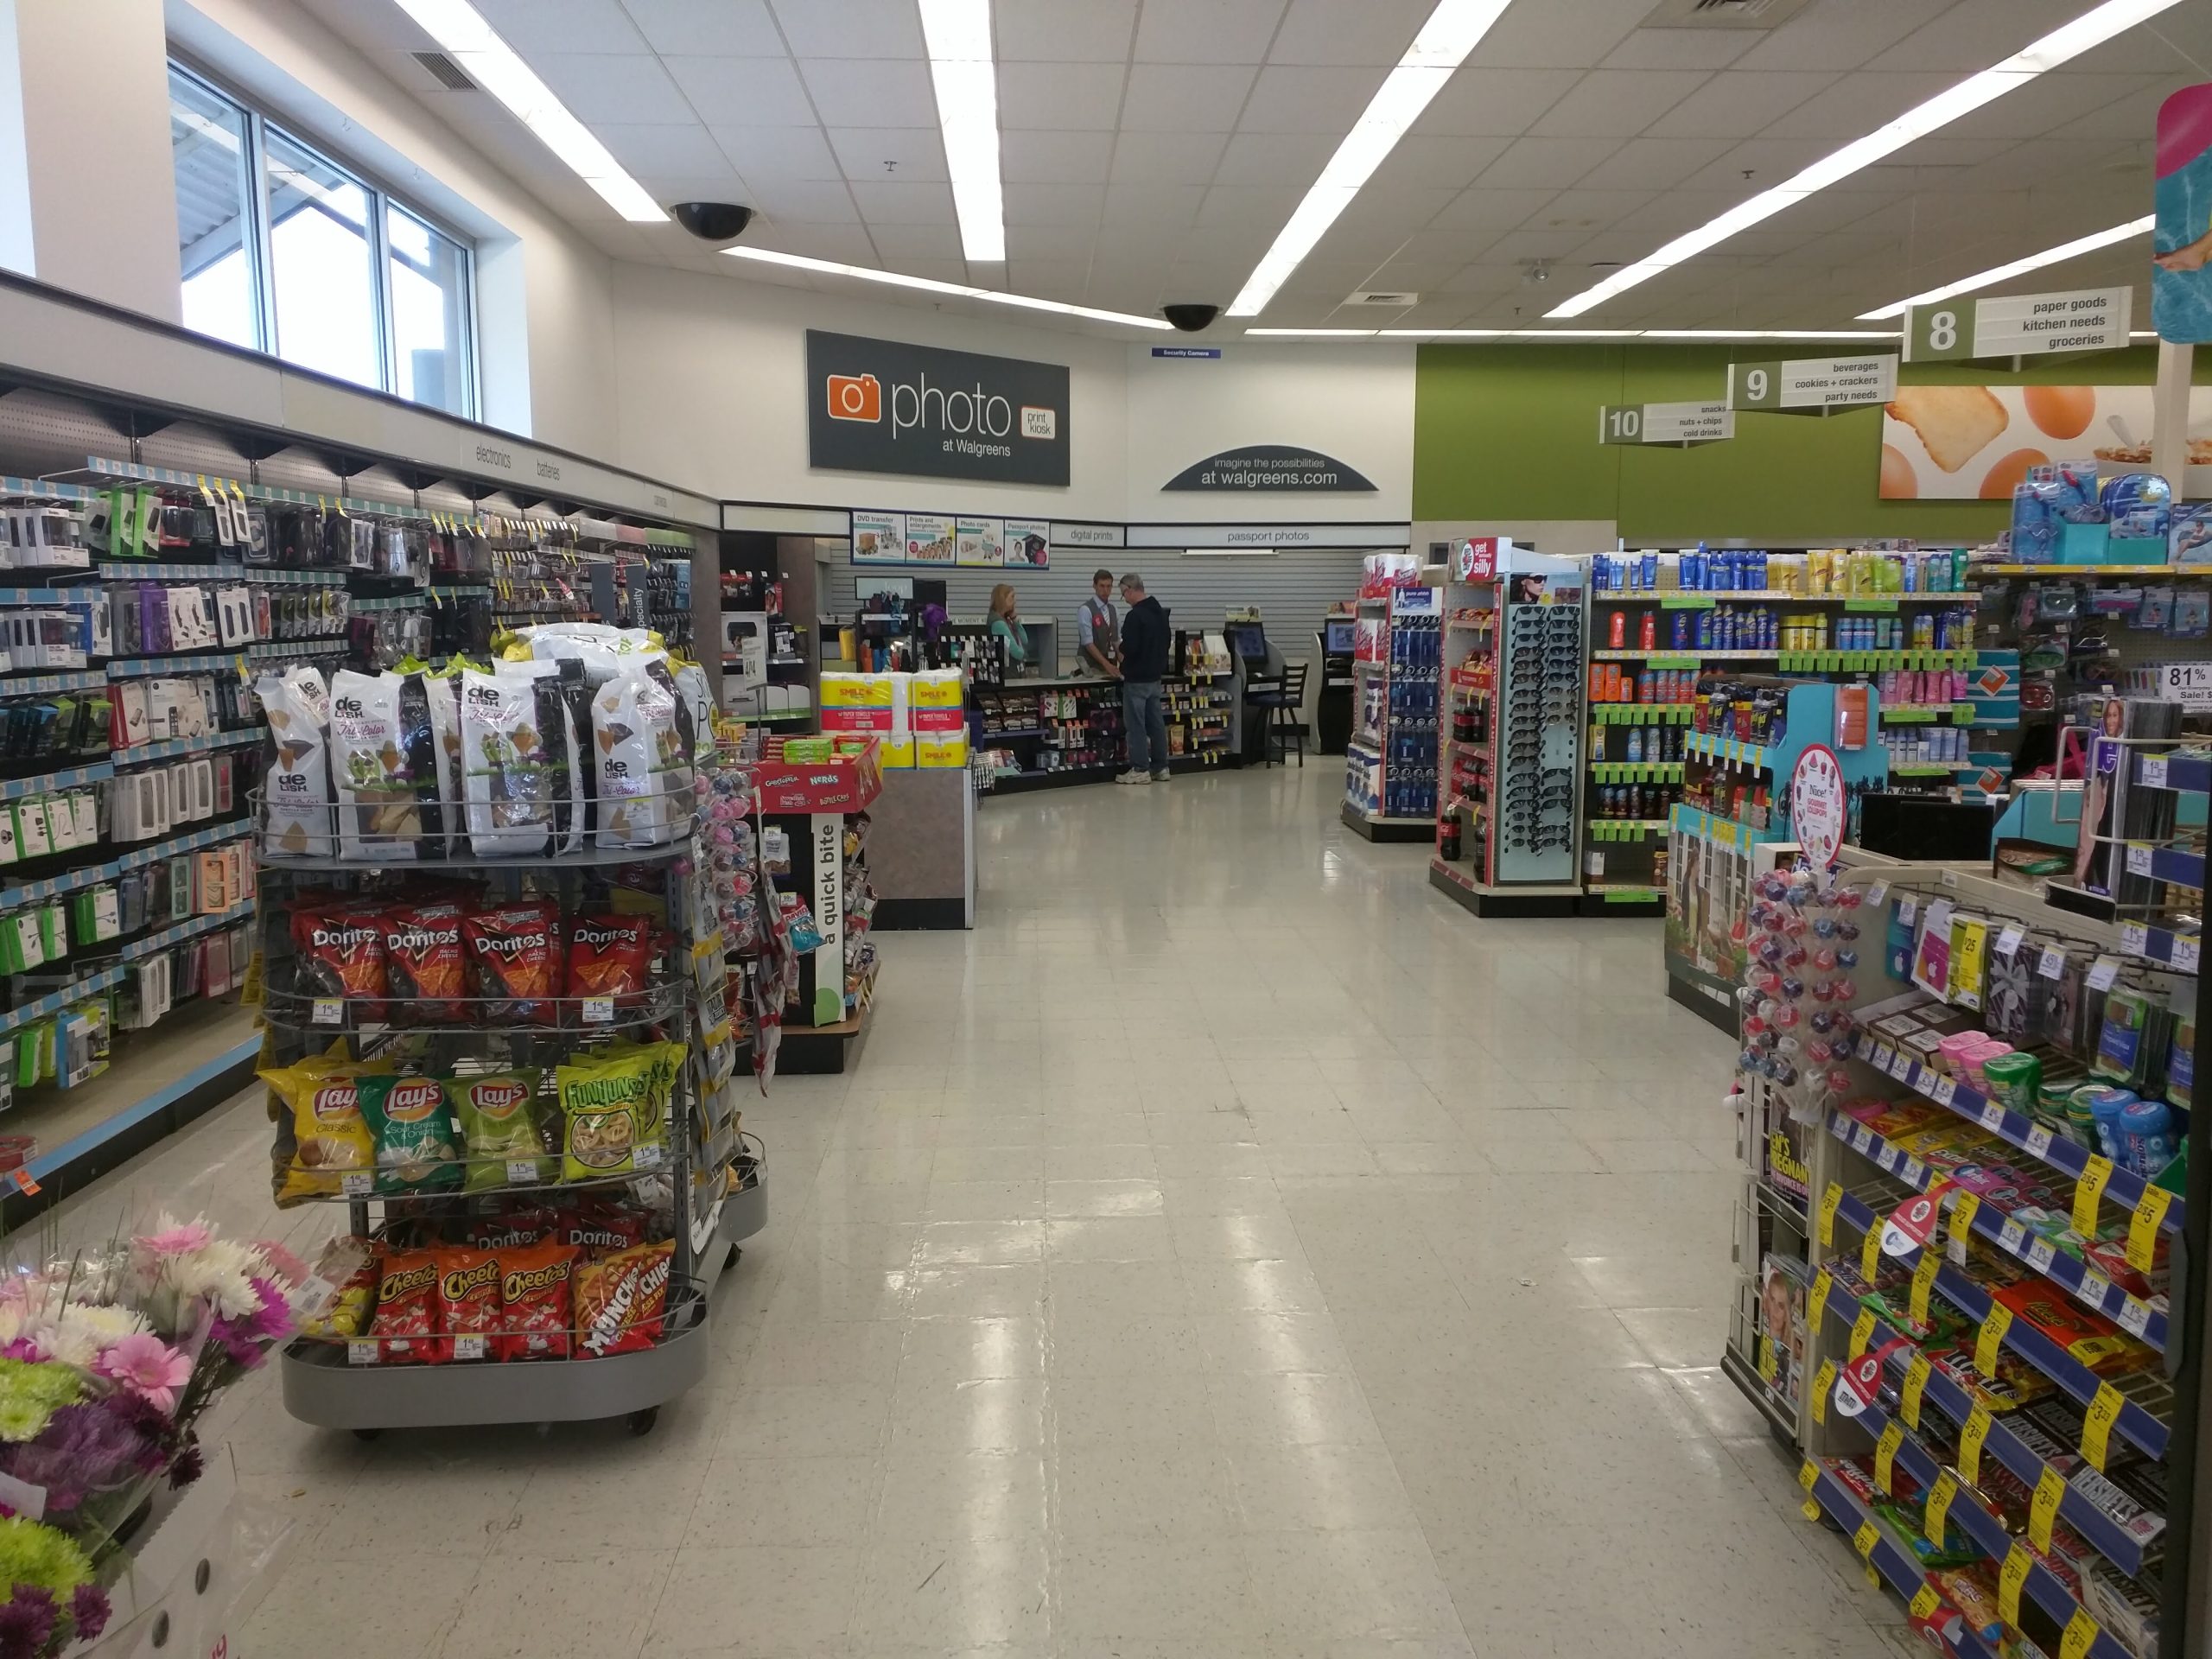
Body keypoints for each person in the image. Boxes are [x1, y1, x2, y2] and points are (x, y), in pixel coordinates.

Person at [1116, 572, 1171, 785]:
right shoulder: (1160, 612)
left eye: (1123, 594)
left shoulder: (1135, 616)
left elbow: (1130, 647)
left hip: (1137, 679)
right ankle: (1161, 767)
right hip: (1155, 678)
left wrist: (1118, 647)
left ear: (1130, 590)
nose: (1125, 599)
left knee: (1136, 725)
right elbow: (1166, 642)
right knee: (1156, 724)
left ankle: (1140, 769)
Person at [1075, 569, 1118, 676]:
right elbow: (1088, 643)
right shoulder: (1085, 610)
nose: (1105, 590)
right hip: (1090, 669)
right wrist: (1106, 664)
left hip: (1111, 667)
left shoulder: (1114, 610)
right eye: (1102, 586)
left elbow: (1116, 640)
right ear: (1094, 586)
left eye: (1109, 586)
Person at [987, 583, 1030, 671]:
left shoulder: (1006, 619)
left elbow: (1024, 640)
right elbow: (1017, 652)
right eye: (1012, 597)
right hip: (1007, 671)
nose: (1015, 601)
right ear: (1002, 599)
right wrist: (1025, 654)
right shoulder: (998, 623)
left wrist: (1015, 620)